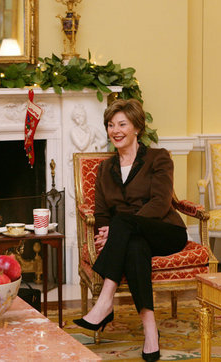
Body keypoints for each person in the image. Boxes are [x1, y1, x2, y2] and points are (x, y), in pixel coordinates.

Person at [73, 99, 187, 362]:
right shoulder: (104, 169)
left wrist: (113, 231)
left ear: (137, 127)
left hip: (165, 232)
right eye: (111, 125)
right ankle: (150, 332)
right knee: (134, 245)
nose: (116, 130)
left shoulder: (159, 158)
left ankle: (104, 302)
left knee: (122, 223)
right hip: (133, 238)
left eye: (122, 124)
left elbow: (160, 204)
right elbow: (101, 213)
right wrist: (107, 231)